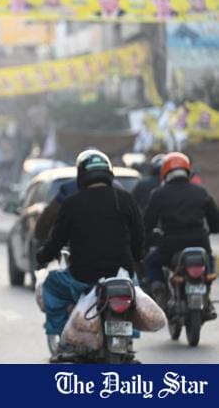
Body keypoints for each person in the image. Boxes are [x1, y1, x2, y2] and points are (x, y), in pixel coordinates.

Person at [36, 150, 144, 362]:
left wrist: (43, 257)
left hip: (82, 277)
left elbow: (55, 241)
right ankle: (128, 339)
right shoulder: (124, 199)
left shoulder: (71, 203)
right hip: (122, 274)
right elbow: (139, 236)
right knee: (135, 293)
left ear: (81, 175)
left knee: (50, 287)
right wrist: (137, 258)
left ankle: (65, 342)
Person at [143, 152, 219, 318]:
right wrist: (212, 229)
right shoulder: (201, 192)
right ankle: (207, 294)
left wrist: (147, 240)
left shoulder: (159, 194)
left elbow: (148, 223)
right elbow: (215, 222)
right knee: (209, 262)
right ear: (187, 171)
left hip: (171, 246)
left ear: (165, 172)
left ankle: (159, 288)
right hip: (200, 243)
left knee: (151, 262)